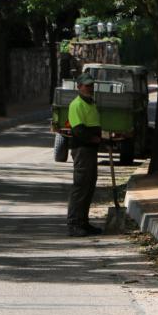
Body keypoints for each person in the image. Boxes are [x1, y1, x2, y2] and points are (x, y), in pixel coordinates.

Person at [66, 73, 103, 237]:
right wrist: (94, 139)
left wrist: (101, 139)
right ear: (79, 87)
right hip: (82, 149)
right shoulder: (77, 105)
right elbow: (78, 130)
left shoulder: (91, 103)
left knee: (89, 185)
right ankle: (74, 223)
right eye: (86, 85)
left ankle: (84, 222)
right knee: (81, 186)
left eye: (91, 85)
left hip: (90, 149)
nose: (90, 88)